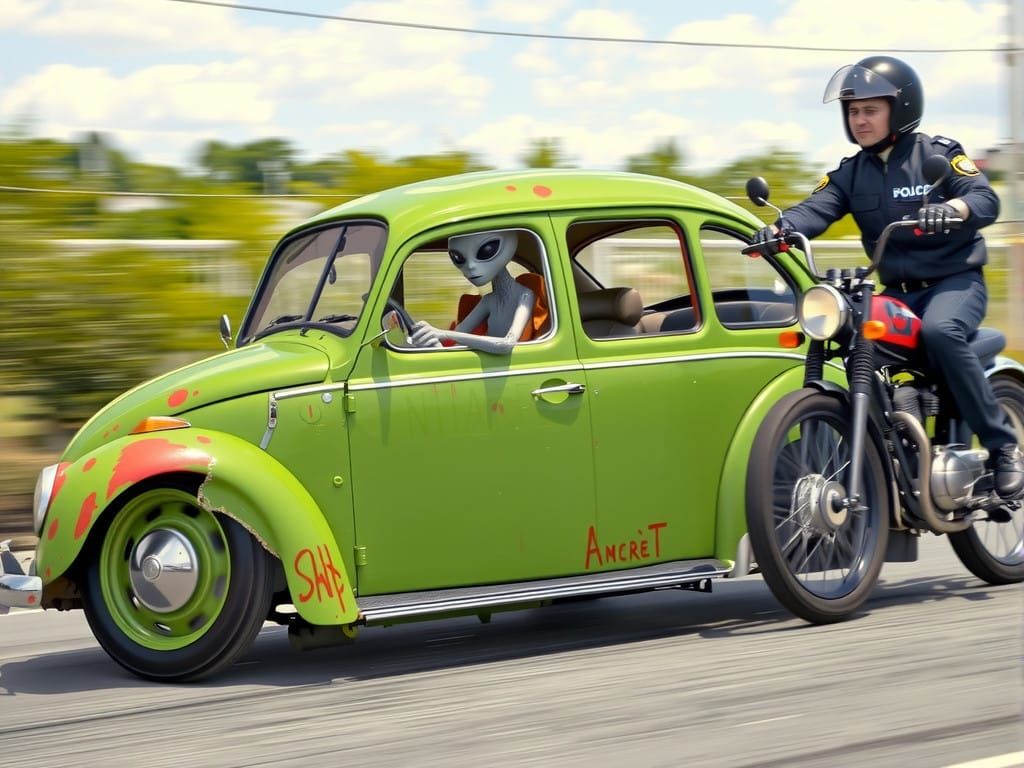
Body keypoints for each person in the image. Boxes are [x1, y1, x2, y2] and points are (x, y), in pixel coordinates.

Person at [752, 55, 1023, 498]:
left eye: (870, 110)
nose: (860, 120)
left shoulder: (937, 155)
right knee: (847, 333)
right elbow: (814, 209)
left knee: (940, 332)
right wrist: (780, 229)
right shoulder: (849, 173)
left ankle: (1002, 448)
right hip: (895, 292)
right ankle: (877, 452)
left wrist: (953, 209)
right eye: (853, 111)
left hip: (953, 284)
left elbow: (983, 198)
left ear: (899, 109)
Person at [408, 229, 547, 354]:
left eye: (486, 250)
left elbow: (507, 344)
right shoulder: (488, 300)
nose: (470, 266)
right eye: (459, 258)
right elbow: (459, 334)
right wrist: (431, 341)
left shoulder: (525, 296)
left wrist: (442, 334)